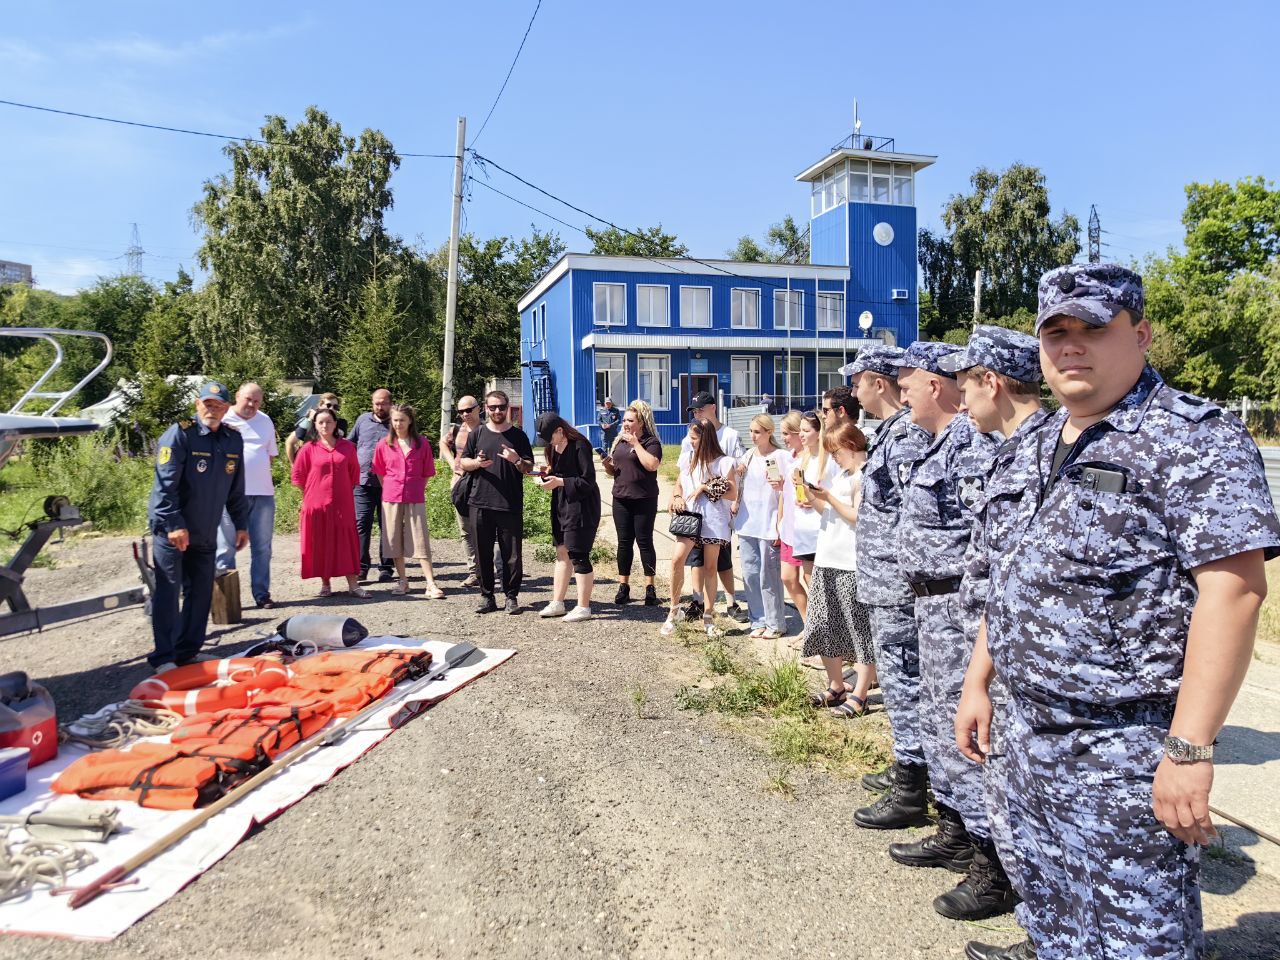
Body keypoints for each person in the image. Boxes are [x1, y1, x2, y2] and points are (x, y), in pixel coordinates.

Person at [955, 264, 1280, 960]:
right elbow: (1008, 575)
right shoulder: (1034, 448)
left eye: (1092, 329)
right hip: (1024, 734)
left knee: (1139, 939)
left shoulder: (1193, 439)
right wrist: (978, 680)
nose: (1070, 347)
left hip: (1123, 747)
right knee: (1052, 918)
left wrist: (1190, 749)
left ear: (1140, 333)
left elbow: (1235, 591)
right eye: (1056, 332)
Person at [889, 341, 1011, 923]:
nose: (901, 391)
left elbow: (981, 541)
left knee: (971, 733)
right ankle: (957, 829)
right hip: (930, 606)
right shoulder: (939, 443)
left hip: (960, 611)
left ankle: (992, 863)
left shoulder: (972, 447)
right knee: (942, 727)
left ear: (933, 384)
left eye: (908, 382)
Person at [936, 325, 1047, 959]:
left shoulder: (1052, 451)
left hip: (1046, 662)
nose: (958, 396)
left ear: (991, 382)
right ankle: (1045, 931)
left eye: (965, 383)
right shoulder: (1014, 450)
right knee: (1018, 798)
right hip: (993, 639)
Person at [847, 346, 934, 829]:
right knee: (900, 684)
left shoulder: (906, 437)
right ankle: (907, 766)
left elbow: (909, 517)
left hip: (898, 585)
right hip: (883, 581)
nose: (853, 390)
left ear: (876, 383)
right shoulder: (889, 434)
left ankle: (912, 786)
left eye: (857, 381)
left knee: (905, 681)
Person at [146, 382, 250, 671]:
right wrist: (173, 524)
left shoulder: (232, 439)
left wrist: (241, 524)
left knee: (201, 592)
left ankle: (187, 652)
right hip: (173, 531)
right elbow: (165, 486)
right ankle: (163, 657)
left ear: (227, 408)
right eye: (207, 403)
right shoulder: (181, 434)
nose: (211, 409)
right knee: (168, 591)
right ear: (196, 404)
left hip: (205, 531)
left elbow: (236, 489)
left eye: (218, 405)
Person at [801, 421, 875, 714]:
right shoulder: (843, 475)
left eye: (835, 451)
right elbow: (829, 512)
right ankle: (836, 685)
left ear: (850, 445)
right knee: (823, 623)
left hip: (850, 562)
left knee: (858, 629)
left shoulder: (863, 476)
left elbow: (857, 517)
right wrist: (815, 497)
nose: (833, 457)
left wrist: (828, 497)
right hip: (827, 557)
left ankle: (860, 694)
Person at [459, 389, 534, 614]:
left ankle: (511, 597)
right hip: (480, 501)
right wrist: (476, 463)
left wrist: (516, 460)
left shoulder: (518, 436)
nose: (497, 411)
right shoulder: (477, 433)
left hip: (509, 503)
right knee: (482, 553)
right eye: (493, 407)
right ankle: (487, 596)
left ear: (507, 407)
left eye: (501, 407)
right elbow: (463, 463)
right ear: (486, 408)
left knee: (512, 554)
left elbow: (528, 468)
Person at [662, 418, 737, 638]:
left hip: (713, 520)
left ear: (705, 438)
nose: (690, 441)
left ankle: (708, 616)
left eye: (694, 438)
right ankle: (674, 610)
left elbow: (732, 492)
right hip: (690, 517)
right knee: (677, 559)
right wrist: (676, 496)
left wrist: (705, 487)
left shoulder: (724, 462)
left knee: (710, 567)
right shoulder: (688, 459)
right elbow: (679, 483)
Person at [677, 391, 745, 621]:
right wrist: (678, 495)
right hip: (695, 515)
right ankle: (698, 603)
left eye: (700, 410)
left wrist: (712, 489)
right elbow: (682, 478)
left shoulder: (730, 436)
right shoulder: (689, 446)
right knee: (696, 560)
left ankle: (729, 602)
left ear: (713, 408)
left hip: (718, 515)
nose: (697, 414)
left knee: (718, 562)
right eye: (694, 411)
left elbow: (734, 477)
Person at [290, 407, 369, 599]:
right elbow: (299, 477)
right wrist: (313, 495)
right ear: (315, 425)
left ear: (335, 424)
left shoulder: (348, 447)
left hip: (343, 504)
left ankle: (353, 585)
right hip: (316, 505)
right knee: (321, 543)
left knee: (347, 542)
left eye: (329, 422)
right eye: (321, 422)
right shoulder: (308, 449)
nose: (325, 425)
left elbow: (353, 475)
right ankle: (325, 584)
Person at [215, 382, 279, 609]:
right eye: (247, 399)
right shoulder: (223, 419)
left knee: (262, 548)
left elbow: (270, 456)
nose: (251, 404)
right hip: (229, 497)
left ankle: (262, 595)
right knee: (226, 548)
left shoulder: (265, 421)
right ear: (237, 397)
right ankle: (227, 603)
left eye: (256, 401)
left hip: (262, 494)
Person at [372, 403, 444, 599]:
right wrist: (390, 486)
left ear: (410, 421)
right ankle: (403, 580)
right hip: (391, 497)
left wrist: (417, 487)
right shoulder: (384, 444)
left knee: (420, 539)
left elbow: (427, 472)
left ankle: (430, 583)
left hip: (414, 496)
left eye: (402, 420)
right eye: (394, 420)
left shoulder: (421, 444)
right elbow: (379, 472)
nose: (398, 424)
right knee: (394, 539)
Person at [534, 414, 602, 622]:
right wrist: (546, 475)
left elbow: (587, 480)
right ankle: (558, 602)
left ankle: (584, 607)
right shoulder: (551, 448)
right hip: (561, 503)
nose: (548, 443)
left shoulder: (580, 445)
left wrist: (560, 482)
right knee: (561, 551)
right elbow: (558, 472)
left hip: (582, 504)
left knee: (578, 553)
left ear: (560, 431)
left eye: (550, 438)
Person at [602, 400, 662, 606]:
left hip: (644, 499)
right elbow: (615, 469)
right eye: (625, 420)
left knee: (644, 542)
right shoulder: (619, 441)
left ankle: (650, 587)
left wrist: (636, 444)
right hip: (621, 498)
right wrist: (608, 466)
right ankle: (623, 586)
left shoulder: (650, 442)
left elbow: (652, 465)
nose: (626, 424)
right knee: (624, 543)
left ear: (641, 423)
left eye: (630, 420)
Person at [733, 413, 787, 640]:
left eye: (757, 432)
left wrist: (779, 523)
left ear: (769, 433)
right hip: (747, 523)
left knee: (769, 575)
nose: (753, 436)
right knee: (751, 574)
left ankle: (775, 622)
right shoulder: (748, 456)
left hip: (767, 523)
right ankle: (758, 619)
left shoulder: (777, 457)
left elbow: (781, 493)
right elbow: (739, 485)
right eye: (751, 432)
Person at [349, 389, 394, 582]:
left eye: (383, 403)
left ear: (390, 404)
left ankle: (386, 568)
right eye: (376, 403)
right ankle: (361, 566)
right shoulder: (362, 420)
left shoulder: (397, 422)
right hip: (362, 482)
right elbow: (351, 443)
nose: (379, 407)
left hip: (389, 484)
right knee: (361, 524)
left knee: (388, 526)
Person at [442, 395, 481, 587]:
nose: (465, 414)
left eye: (469, 409)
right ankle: (474, 572)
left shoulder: (487, 430)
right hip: (460, 486)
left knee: (487, 530)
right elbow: (442, 444)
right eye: (461, 411)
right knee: (466, 531)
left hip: (483, 486)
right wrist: (453, 465)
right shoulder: (457, 429)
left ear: (478, 408)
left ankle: (493, 569)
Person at [774, 411, 807, 627]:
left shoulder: (807, 459)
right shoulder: (791, 457)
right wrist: (779, 519)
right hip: (787, 527)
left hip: (801, 529)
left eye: (787, 433)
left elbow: (802, 494)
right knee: (787, 577)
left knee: (805, 577)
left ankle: (812, 628)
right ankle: (809, 624)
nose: (784, 438)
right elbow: (785, 494)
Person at [285, 393, 347, 464]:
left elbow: (337, 435)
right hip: (309, 465)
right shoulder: (310, 421)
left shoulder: (341, 423)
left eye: (335, 407)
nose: (331, 408)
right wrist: (293, 465)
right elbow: (290, 441)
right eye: (328, 405)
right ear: (320, 406)